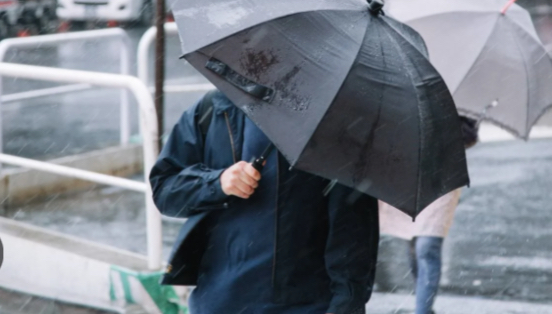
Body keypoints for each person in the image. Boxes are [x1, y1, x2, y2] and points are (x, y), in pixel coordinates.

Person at [150, 90, 379, 314]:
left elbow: (352, 230)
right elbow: (165, 190)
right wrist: (217, 182)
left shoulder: (332, 123)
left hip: (306, 305)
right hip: (215, 302)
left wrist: (347, 304)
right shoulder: (215, 107)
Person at [378, 116, 478, 314]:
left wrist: (450, 131)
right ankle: (424, 304)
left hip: (444, 181)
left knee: (426, 247)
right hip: (411, 178)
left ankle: (422, 310)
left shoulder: (459, 104)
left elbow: (470, 136)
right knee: (414, 244)